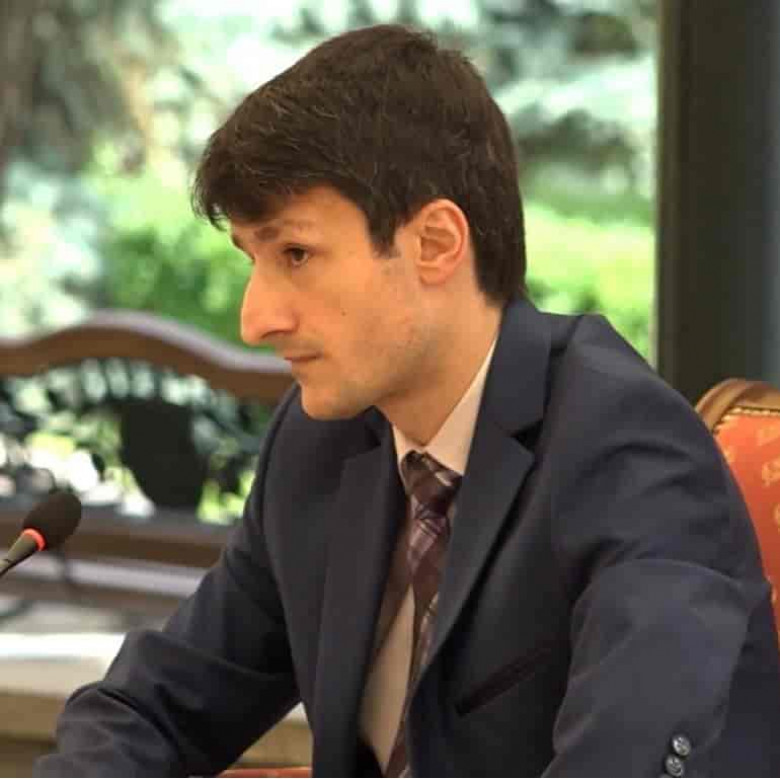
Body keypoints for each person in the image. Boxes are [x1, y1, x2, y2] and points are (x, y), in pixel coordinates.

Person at [36, 23, 780, 778]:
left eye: (296, 254)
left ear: (435, 243)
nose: (255, 319)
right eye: (253, 259)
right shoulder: (322, 443)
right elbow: (152, 709)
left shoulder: (628, 451)